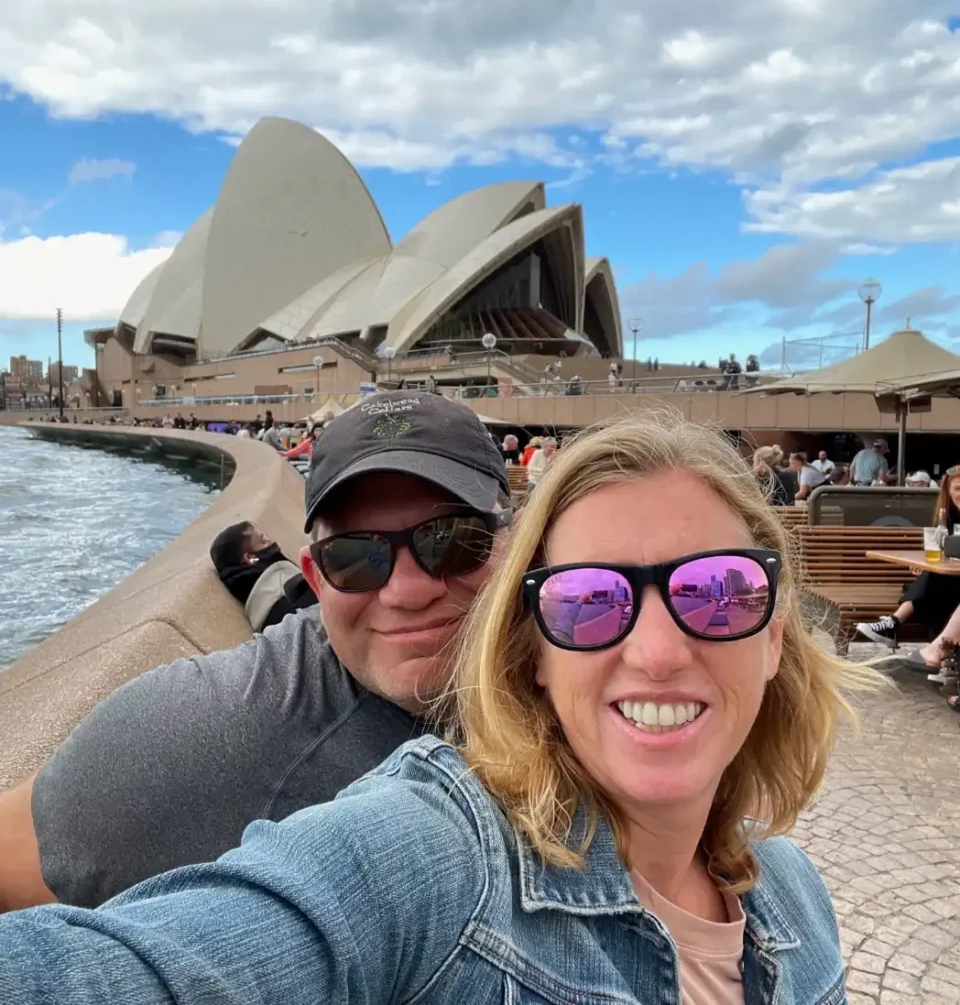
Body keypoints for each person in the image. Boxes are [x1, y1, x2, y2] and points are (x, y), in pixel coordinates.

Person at [0, 413, 877, 1003]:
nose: (411, 589)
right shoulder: (428, 840)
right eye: (355, 559)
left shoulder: (796, 906)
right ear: (533, 650)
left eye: (716, 593)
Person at [0, 392, 512, 912]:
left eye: (452, 541)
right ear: (318, 579)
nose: (408, 591)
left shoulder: (577, 654)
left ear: (520, 546)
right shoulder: (218, 727)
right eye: (356, 557)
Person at [857, 466, 960, 647]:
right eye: (957, 489)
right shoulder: (947, 519)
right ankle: (943, 656)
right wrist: (925, 564)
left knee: (934, 584)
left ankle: (894, 623)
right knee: (935, 583)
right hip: (950, 584)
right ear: (948, 493)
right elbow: (945, 552)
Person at [210, 521, 318, 632]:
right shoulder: (289, 590)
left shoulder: (258, 606)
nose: (272, 542)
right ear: (250, 558)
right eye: (263, 541)